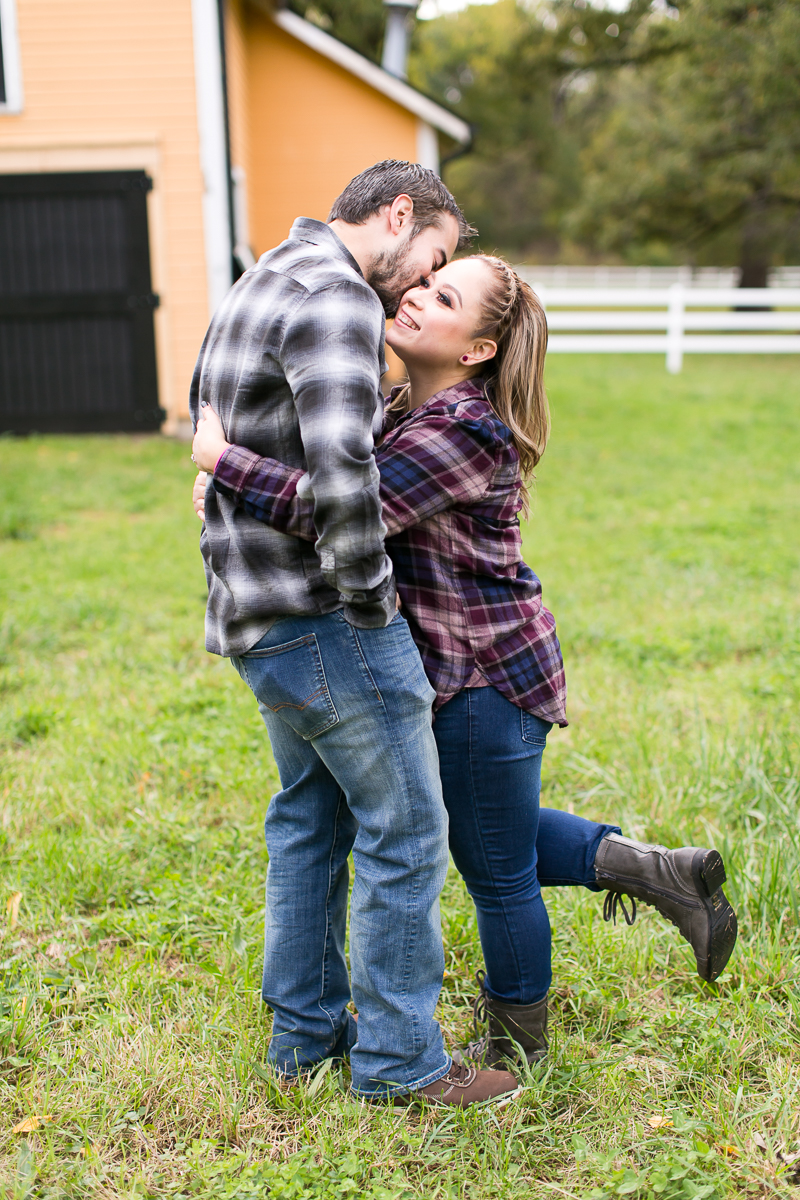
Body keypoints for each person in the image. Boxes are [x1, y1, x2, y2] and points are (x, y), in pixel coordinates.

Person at [192, 252, 738, 1070]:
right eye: (422, 285)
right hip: (451, 670)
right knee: (478, 836)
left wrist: (223, 464)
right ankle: (659, 872)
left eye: (443, 297)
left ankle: (520, 1049)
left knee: (496, 874)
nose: (415, 297)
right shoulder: (406, 407)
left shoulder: (464, 429)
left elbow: (348, 512)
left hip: (486, 678)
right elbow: (324, 469)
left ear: (478, 349)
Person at [188, 160, 522, 1107]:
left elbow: (208, 421)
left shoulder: (263, 275)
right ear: (402, 214)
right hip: (323, 619)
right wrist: (375, 614)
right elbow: (346, 489)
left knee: (310, 819)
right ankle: (400, 1065)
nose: (422, 284)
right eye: (435, 259)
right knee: (409, 829)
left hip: (255, 618)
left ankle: (303, 1040)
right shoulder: (336, 299)